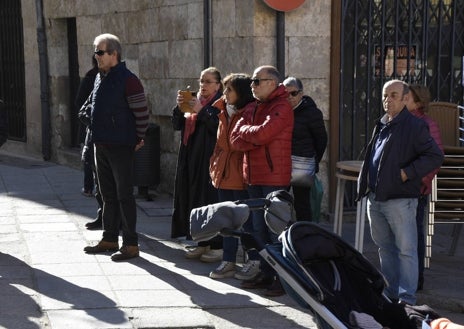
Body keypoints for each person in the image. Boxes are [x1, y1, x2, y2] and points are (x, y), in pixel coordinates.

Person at [357, 79, 443, 305]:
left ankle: (406, 298)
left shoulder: (415, 126)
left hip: (400, 199)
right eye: (385, 95)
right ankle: (391, 293)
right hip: (376, 197)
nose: (387, 100)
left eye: (393, 95)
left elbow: (435, 156)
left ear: (406, 98)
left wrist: (408, 173)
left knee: (406, 250)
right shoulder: (383, 123)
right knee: (385, 248)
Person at [83, 33, 149, 261]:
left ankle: (130, 244)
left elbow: (142, 112)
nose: (96, 56)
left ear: (114, 54)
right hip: (100, 143)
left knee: (124, 196)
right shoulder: (100, 77)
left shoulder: (128, 79)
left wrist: (139, 137)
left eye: (100, 52)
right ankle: (110, 238)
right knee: (107, 194)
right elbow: (92, 103)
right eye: (95, 51)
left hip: (121, 144)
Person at [230, 65, 294, 296]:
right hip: (253, 176)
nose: (252, 85)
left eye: (257, 81)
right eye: (252, 81)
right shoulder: (252, 107)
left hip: (273, 177)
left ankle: (283, 278)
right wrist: (253, 136)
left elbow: (264, 134)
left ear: (272, 83)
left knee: (274, 229)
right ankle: (267, 273)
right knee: (257, 229)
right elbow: (234, 140)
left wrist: (251, 135)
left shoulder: (282, 106)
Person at [208, 73, 260, 280]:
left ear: (241, 92)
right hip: (223, 173)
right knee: (226, 221)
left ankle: (253, 260)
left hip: (241, 175)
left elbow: (235, 143)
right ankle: (228, 261)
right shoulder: (222, 110)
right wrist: (215, 163)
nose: (225, 93)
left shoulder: (249, 111)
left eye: (230, 89)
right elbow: (220, 145)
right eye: (225, 89)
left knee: (247, 222)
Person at [171, 67, 223, 263]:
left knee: (210, 200)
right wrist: (179, 108)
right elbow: (177, 125)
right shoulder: (196, 101)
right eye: (201, 80)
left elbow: (217, 127)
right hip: (191, 156)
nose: (203, 85)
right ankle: (202, 243)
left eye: (208, 81)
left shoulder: (220, 103)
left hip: (210, 159)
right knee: (194, 199)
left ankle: (217, 245)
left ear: (218, 85)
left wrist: (201, 111)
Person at [405, 84, 443, 291]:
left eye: (407, 97)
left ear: (418, 102)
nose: (402, 100)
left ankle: (416, 279)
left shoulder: (427, 124)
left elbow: (434, 159)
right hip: (401, 189)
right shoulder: (401, 121)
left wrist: (420, 183)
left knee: (414, 235)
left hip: (416, 190)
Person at [283, 77, 327, 221]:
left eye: (293, 93)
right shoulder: (280, 111)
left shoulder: (312, 113)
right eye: (285, 93)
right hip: (282, 163)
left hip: (302, 164)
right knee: (279, 201)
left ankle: (305, 235)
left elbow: (321, 140)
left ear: (301, 94)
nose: (289, 97)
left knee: (302, 204)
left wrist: (313, 161)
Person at [75, 57, 99, 198]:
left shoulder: (91, 77)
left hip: (90, 125)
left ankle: (89, 188)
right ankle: (90, 187)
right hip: (89, 125)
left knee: (89, 156)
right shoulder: (92, 78)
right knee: (90, 156)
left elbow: (78, 101)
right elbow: (79, 102)